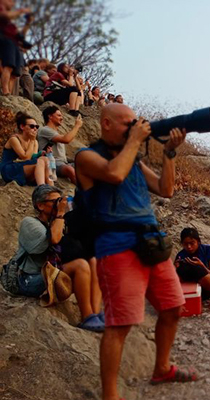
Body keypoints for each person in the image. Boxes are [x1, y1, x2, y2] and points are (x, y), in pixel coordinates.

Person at [75, 103, 196, 400]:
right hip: (117, 248)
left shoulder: (134, 159)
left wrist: (169, 153)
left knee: (172, 307)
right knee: (120, 324)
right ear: (105, 123)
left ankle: (162, 368)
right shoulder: (86, 156)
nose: (133, 129)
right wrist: (135, 140)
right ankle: (111, 395)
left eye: (135, 124)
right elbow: (114, 174)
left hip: (151, 244)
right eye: (127, 124)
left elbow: (166, 190)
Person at [14, 185, 104, 332]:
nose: (59, 205)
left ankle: (95, 314)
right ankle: (87, 317)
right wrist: (61, 213)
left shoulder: (58, 222)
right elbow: (54, 239)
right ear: (40, 205)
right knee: (81, 265)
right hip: (30, 279)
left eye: (60, 201)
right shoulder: (29, 223)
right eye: (55, 201)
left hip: (50, 273)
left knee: (94, 261)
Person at [174, 228, 210, 309]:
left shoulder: (209, 250)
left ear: (198, 242)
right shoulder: (181, 255)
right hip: (190, 288)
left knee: (197, 269)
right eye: (186, 244)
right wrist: (176, 268)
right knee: (181, 270)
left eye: (192, 243)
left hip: (208, 288)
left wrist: (202, 266)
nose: (189, 247)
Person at [0, 111, 51, 186]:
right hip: (9, 168)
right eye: (32, 126)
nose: (35, 129)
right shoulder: (14, 139)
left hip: (23, 166)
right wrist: (32, 141)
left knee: (45, 160)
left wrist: (41, 153)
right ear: (22, 127)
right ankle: (42, 187)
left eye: (36, 127)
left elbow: (32, 157)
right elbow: (25, 157)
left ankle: (50, 187)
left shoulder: (34, 142)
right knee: (41, 163)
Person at [37, 105, 82, 184]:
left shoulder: (55, 133)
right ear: (50, 116)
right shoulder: (44, 130)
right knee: (70, 170)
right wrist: (77, 126)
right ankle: (84, 192)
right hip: (52, 163)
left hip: (63, 162)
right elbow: (66, 139)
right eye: (59, 115)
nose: (61, 118)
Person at [0, 0, 32, 95]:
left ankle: (9, 93)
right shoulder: (2, 10)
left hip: (15, 44)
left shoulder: (10, 23)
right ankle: (5, 90)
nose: (12, 4)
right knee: (8, 66)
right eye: (10, 1)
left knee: (15, 73)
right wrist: (21, 11)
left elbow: (21, 35)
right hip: (5, 40)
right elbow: (5, 15)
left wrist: (28, 23)